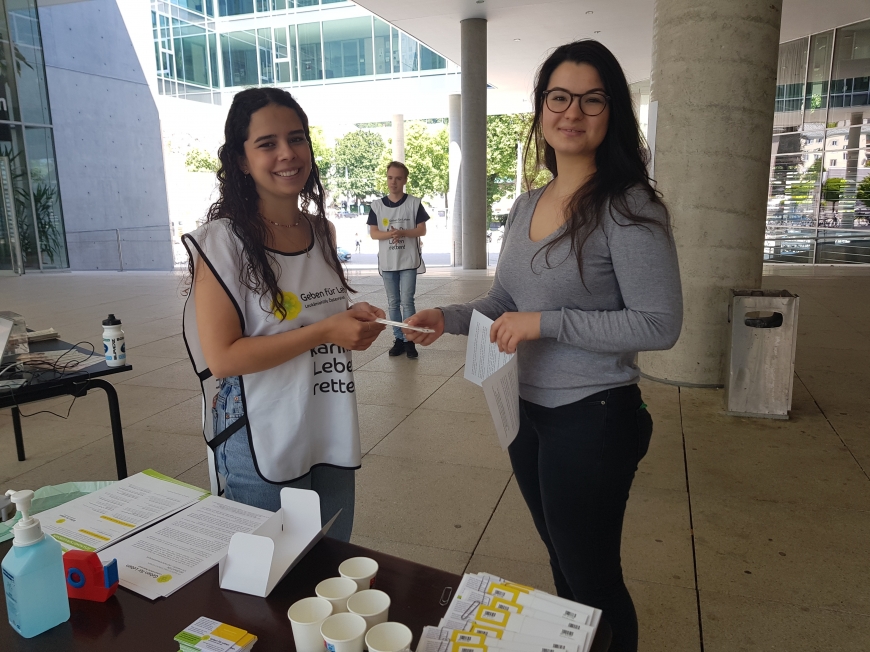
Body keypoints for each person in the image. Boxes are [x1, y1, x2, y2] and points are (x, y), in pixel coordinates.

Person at [404, 40, 682, 652]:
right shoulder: (529, 202)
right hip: (526, 412)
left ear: (613, 112)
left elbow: (659, 325)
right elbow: (507, 299)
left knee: (593, 580)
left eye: (591, 99)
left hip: (594, 417)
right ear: (539, 109)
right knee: (562, 564)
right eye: (559, 97)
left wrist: (547, 322)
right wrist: (445, 318)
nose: (572, 112)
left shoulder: (629, 207)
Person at [181, 87, 386, 542]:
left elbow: (311, 315)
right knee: (265, 582)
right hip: (260, 426)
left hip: (326, 416)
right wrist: (326, 330)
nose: (287, 154)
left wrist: (350, 320)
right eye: (267, 144)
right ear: (240, 160)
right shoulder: (220, 242)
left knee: (328, 567)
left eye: (297, 139)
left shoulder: (322, 230)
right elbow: (225, 358)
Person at [367, 161, 429, 359]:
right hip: (388, 263)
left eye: (398, 178)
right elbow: (374, 233)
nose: (393, 182)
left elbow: (422, 230)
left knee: (407, 302)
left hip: (408, 261)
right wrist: (391, 234)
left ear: (405, 180)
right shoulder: (377, 206)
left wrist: (402, 232)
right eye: (390, 177)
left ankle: (410, 340)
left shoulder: (414, 203)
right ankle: (399, 339)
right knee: (393, 303)